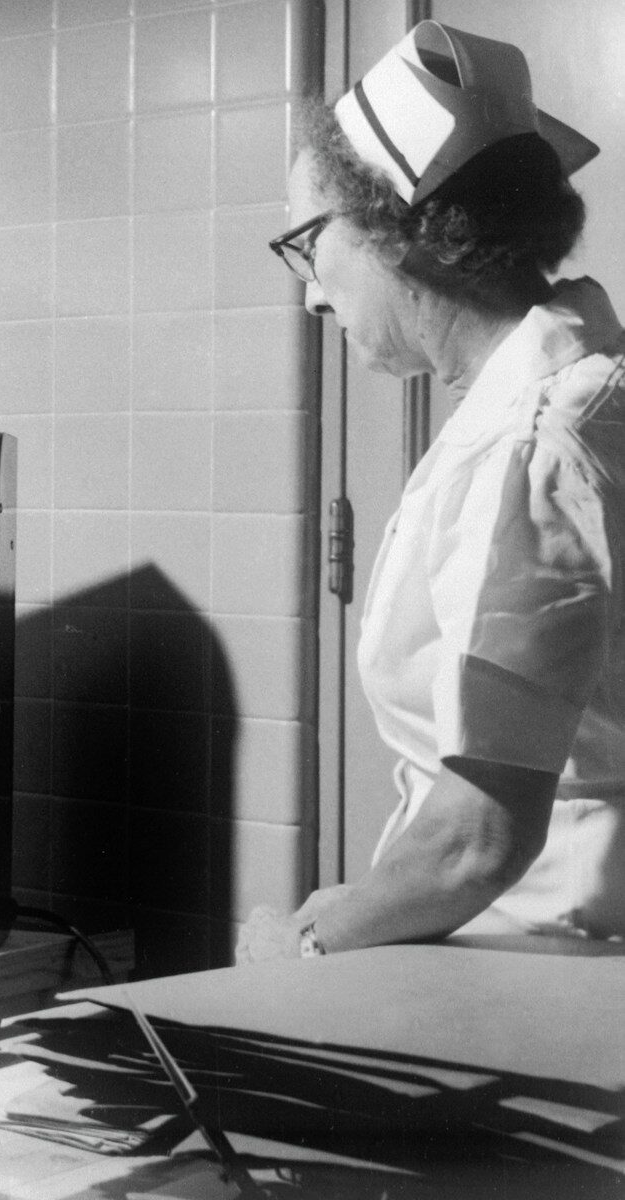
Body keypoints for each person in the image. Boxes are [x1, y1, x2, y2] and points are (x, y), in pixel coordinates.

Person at [241, 21, 625, 962]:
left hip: (543, 969)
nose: (312, 297)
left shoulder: (542, 449)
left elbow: (476, 839)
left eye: (307, 245)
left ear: (404, 229)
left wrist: (297, 944)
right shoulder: (572, 399)